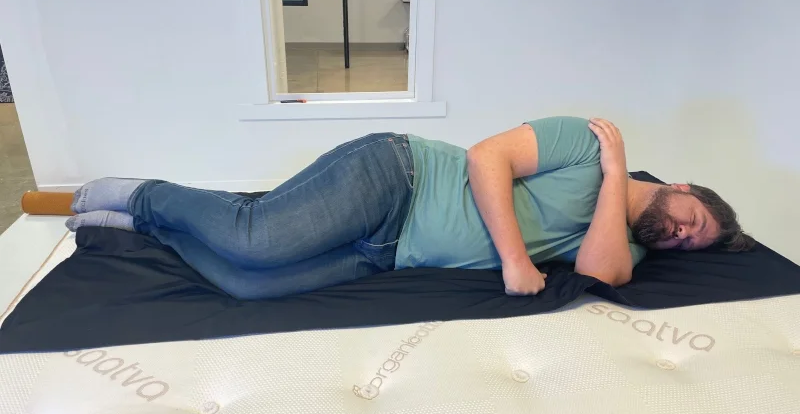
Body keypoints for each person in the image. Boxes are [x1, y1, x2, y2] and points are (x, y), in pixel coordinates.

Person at [66, 117, 754, 299]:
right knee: (256, 241)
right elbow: (486, 156)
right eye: (692, 220)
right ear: (684, 187)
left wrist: (616, 182)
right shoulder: (585, 139)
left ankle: (150, 226)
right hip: (400, 177)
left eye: (686, 245)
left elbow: (602, 276)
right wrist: (516, 258)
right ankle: (142, 194)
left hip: (389, 254)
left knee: (248, 284)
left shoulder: (626, 241)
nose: (679, 235)